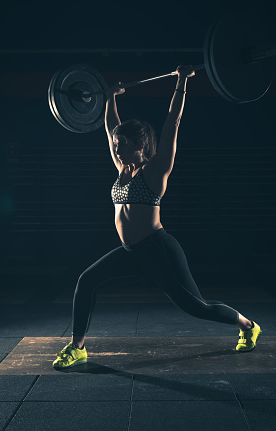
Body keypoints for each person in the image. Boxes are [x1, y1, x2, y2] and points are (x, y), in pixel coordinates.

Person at [53, 65, 262, 369]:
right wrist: (110, 99)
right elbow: (111, 126)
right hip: (131, 253)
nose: (116, 148)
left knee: (196, 307)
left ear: (140, 145)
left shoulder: (155, 171)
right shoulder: (122, 170)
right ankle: (77, 347)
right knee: (86, 281)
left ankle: (247, 325)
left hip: (158, 250)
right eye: (115, 144)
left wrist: (181, 83)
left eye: (121, 144)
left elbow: (172, 123)